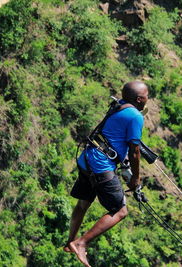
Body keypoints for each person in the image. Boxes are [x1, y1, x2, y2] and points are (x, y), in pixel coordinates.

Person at [63, 81, 149, 267]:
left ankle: (71, 240)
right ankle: (81, 242)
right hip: (101, 165)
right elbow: (135, 150)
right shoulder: (135, 116)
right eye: (146, 95)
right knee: (120, 211)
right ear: (140, 99)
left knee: (84, 202)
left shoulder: (118, 105)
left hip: (88, 158)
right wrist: (135, 177)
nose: (148, 99)